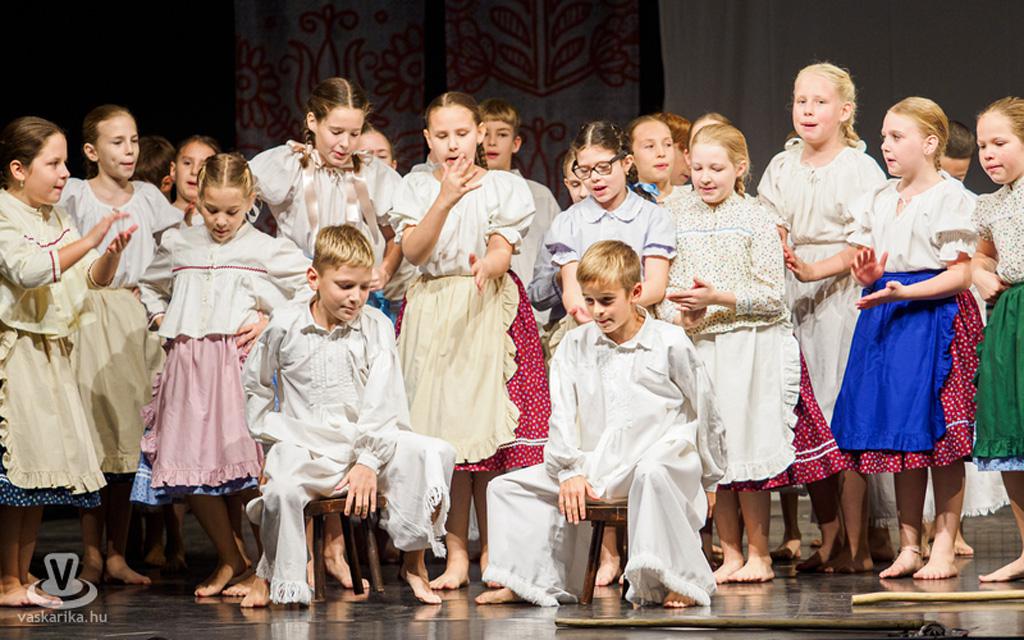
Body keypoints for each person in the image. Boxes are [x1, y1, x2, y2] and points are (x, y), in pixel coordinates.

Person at [476, 240, 726, 608]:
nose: (596, 311)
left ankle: (677, 579)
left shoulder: (668, 342)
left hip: (663, 459)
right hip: (600, 464)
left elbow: (706, 408)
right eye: (589, 300)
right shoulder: (575, 344)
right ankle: (529, 581)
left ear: (635, 293)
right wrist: (569, 471)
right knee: (506, 487)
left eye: (607, 301)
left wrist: (711, 476)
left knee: (652, 474)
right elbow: (561, 414)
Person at [662, 123, 847, 584]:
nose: (706, 177)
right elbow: (667, 289)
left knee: (748, 450)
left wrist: (717, 298)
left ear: (740, 168)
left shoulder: (757, 217)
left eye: (717, 168)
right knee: (715, 455)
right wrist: (684, 313)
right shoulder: (675, 215)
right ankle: (731, 554)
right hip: (702, 345)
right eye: (698, 168)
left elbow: (771, 297)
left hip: (751, 345)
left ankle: (759, 554)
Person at [241, 224, 455, 606]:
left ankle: (414, 563)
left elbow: (383, 401)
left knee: (435, 452)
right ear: (314, 278)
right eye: (344, 286)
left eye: (363, 287)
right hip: (307, 445)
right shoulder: (286, 324)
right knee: (282, 486)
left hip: (368, 441)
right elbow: (255, 384)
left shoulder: (376, 326)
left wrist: (368, 461)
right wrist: (270, 437)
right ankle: (279, 575)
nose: (356, 297)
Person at [391, 91, 550, 589]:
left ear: (480, 133)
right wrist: (444, 198)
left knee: (492, 440)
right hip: (434, 312)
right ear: (427, 139)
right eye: (442, 136)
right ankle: (457, 555)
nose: (453, 144)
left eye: (462, 133)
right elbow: (415, 251)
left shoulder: (503, 186)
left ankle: (495, 555)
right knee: (449, 442)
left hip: (486, 306)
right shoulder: (416, 188)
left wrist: (489, 265)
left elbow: (503, 246)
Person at [134, 153, 311, 596]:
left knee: (250, 471)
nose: (220, 220)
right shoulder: (180, 243)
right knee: (190, 467)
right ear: (198, 198)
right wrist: (160, 316)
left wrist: (270, 321)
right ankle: (231, 558)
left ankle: (269, 565)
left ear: (250, 202)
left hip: (237, 369)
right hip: (187, 370)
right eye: (212, 209)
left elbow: (309, 288)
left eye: (232, 211)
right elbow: (150, 284)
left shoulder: (265, 248)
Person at [830, 97, 981, 580]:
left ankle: (944, 545)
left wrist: (906, 290)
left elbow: (960, 275)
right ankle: (909, 545)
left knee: (940, 439)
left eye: (897, 137)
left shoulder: (950, 198)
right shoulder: (879, 198)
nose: (886, 146)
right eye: (884, 137)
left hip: (933, 318)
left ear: (930, 143)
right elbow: (872, 266)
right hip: (889, 315)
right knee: (903, 438)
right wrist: (869, 276)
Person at [0, 116, 136, 606]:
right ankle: (5, 580)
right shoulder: (3, 214)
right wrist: (90, 239)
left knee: (41, 468)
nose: (64, 174)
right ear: (18, 169)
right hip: (15, 354)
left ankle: (20, 576)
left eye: (64, 163)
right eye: (52, 164)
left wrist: (109, 254)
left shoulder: (54, 218)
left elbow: (87, 280)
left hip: (49, 354)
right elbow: (29, 270)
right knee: (17, 469)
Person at [756, 62, 887, 571]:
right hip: (792, 293)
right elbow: (767, 220)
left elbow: (864, 241)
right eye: (800, 101)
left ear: (845, 111)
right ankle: (828, 537)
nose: (807, 111)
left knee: (841, 414)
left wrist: (813, 270)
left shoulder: (859, 168)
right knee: (806, 415)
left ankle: (859, 544)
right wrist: (783, 251)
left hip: (840, 297)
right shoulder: (781, 165)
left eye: (820, 102)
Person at [60, 105, 182, 585]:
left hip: (134, 320)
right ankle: (92, 554)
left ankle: (116, 554)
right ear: (91, 151)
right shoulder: (75, 194)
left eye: (133, 140)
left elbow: (177, 248)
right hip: (89, 316)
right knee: (95, 440)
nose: (129, 150)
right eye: (117, 142)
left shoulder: (149, 196)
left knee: (128, 441)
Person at [970, 96, 1024, 583]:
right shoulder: (992, 204)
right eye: (983, 145)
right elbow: (982, 254)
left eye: (1000, 143)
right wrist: (980, 271)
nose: (988, 153)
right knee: (1012, 427)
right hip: (1010, 317)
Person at [479, 98, 561, 294]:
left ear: (516, 143)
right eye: (485, 134)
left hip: (528, 299)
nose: (492, 142)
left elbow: (557, 254)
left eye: (502, 134)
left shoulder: (540, 196)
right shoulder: (465, 193)